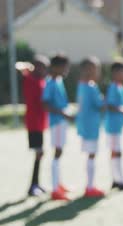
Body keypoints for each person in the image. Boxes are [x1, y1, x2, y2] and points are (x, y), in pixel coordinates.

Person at [17, 55, 50, 196]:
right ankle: (33, 185)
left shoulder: (41, 81)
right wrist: (29, 68)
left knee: (40, 153)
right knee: (38, 153)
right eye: (41, 67)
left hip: (40, 123)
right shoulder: (29, 80)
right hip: (33, 123)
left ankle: (36, 183)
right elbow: (19, 66)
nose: (44, 70)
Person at [42, 54, 73, 201]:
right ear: (55, 67)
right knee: (57, 152)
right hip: (57, 123)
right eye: (64, 67)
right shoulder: (50, 82)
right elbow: (45, 104)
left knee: (60, 152)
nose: (66, 70)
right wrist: (62, 113)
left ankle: (58, 184)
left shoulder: (59, 81)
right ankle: (54, 189)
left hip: (62, 123)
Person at [76, 57, 106, 197]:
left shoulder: (81, 85)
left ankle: (89, 185)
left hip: (85, 127)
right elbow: (99, 105)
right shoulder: (91, 86)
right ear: (88, 70)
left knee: (90, 155)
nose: (97, 72)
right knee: (92, 156)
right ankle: (90, 186)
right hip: (91, 127)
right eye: (96, 69)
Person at [105, 59, 123, 191]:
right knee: (116, 152)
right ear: (115, 73)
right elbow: (109, 105)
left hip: (117, 127)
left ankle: (116, 179)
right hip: (112, 127)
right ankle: (119, 180)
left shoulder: (119, 87)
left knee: (116, 152)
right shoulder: (113, 87)